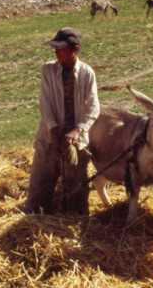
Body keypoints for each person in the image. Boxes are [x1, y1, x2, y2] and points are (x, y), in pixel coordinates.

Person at [24, 27, 100, 215]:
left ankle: (73, 222)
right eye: (55, 49)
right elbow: (45, 102)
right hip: (49, 137)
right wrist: (54, 128)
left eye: (61, 49)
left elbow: (93, 107)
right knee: (40, 186)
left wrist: (77, 130)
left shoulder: (86, 73)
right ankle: (35, 218)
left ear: (75, 49)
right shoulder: (48, 70)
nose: (56, 52)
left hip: (76, 141)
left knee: (76, 190)